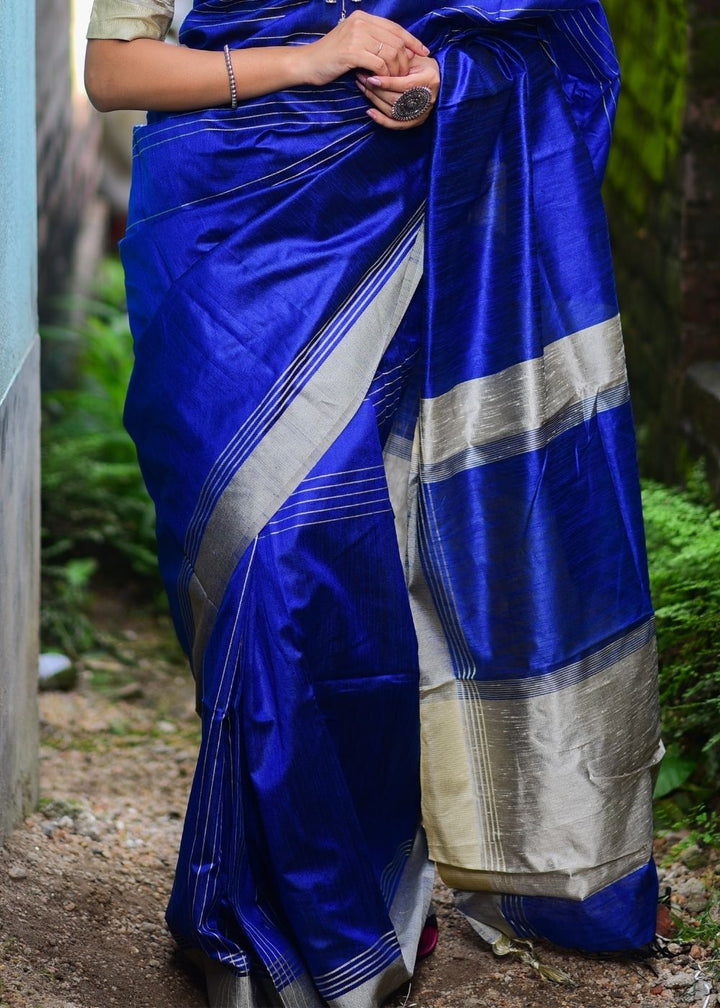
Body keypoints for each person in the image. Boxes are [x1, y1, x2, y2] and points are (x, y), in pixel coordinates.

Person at [85, 1, 663, 1005]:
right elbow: (114, 73)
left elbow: (532, 32)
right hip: (225, 240)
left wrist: (433, 77)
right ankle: (270, 915)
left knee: (340, 567)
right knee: (263, 561)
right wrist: (314, 58)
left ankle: (335, 909)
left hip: (379, 232)